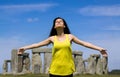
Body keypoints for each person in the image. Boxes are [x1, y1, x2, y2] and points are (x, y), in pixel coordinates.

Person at [18, 17, 108, 77]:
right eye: (56, 22)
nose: (58, 22)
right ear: (54, 26)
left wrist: (99, 48)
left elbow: (84, 43)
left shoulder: (70, 37)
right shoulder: (52, 38)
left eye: (60, 21)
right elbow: (37, 44)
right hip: (54, 70)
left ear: (64, 25)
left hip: (68, 69)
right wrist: (24, 48)